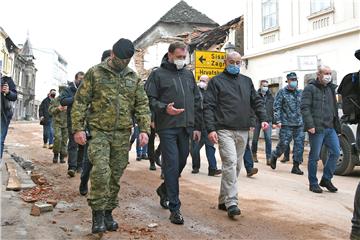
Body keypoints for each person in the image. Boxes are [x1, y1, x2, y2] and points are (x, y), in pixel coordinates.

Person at [71, 38, 150, 234]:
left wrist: (145, 129)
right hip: (99, 132)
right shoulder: (95, 73)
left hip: (123, 134)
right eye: (119, 59)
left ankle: (108, 211)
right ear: (112, 54)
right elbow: (80, 102)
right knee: (100, 172)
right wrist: (78, 129)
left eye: (126, 60)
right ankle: (97, 214)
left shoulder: (133, 77)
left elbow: (141, 105)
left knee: (115, 175)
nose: (122, 63)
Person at [204, 51, 268, 219]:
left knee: (236, 166)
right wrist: (210, 129)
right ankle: (232, 202)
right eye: (231, 62)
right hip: (224, 129)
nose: (235, 65)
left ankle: (222, 200)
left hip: (243, 129)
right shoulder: (216, 82)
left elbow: (256, 101)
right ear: (225, 62)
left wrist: (264, 118)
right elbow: (208, 106)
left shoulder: (247, 82)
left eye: (238, 62)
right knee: (230, 163)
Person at [145, 42, 201, 225]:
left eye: (184, 57)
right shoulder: (157, 74)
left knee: (182, 161)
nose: (182, 60)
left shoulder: (188, 74)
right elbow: (149, 99)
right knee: (171, 164)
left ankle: (164, 189)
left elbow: (197, 100)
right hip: (167, 126)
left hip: (186, 126)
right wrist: (164, 108)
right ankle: (175, 208)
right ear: (169, 55)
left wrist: (198, 126)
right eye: (179, 57)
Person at [301, 65, 341, 193]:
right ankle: (313, 183)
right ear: (318, 74)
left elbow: (334, 108)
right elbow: (305, 107)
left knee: (335, 152)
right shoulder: (310, 88)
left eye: (330, 73)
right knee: (314, 156)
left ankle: (326, 179)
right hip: (317, 128)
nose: (328, 75)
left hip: (330, 128)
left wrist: (336, 125)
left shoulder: (330, 89)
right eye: (326, 73)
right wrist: (310, 125)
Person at [270, 72, 304, 175]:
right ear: (288, 81)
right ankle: (275, 155)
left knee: (299, 146)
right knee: (283, 145)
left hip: (299, 124)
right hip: (286, 124)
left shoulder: (300, 92)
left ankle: (296, 166)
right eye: (291, 80)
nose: (294, 81)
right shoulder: (282, 92)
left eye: (295, 79)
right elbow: (277, 107)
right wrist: (278, 120)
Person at [191, 75, 221, 176]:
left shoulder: (211, 93)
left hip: (208, 126)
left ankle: (212, 168)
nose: (202, 82)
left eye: (204, 81)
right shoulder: (195, 93)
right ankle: (196, 166)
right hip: (197, 126)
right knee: (195, 149)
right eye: (201, 80)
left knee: (210, 148)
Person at [60, 72, 86, 177]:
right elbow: (63, 101)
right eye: (80, 79)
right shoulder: (69, 89)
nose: (82, 81)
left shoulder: (86, 89)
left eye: (83, 79)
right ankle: (72, 167)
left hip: (84, 121)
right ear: (75, 79)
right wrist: (75, 98)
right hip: (73, 120)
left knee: (83, 144)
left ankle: (80, 166)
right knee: (73, 144)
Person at [251, 80, 274, 164]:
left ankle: (269, 158)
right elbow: (252, 109)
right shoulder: (255, 95)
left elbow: (273, 109)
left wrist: (274, 122)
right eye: (264, 86)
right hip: (257, 120)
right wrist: (252, 122)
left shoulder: (271, 96)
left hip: (268, 120)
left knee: (268, 139)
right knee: (255, 139)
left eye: (267, 86)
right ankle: (253, 154)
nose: (266, 87)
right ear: (260, 86)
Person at [48, 86, 68, 163]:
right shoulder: (55, 101)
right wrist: (58, 109)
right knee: (58, 138)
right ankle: (56, 154)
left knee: (64, 140)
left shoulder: (68, 100)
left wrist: (68, 109)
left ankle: (62, 156)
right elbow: (50, 111)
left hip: (66, 123)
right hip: (57, 123)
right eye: (62, 92)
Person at [0, 74, 17, 159]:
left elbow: (14, 96)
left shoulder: (7, 80)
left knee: (0, 140)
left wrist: (8, 92)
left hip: (2, 116)